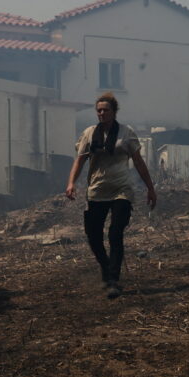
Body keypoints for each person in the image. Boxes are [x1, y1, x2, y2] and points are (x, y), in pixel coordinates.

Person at [66, 92, 157, 299]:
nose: (101, 113)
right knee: (93, 235)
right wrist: (71, 183)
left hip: (121, 190)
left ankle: (113, 279)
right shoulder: (89, 134)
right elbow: (79, 161)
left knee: (116, 232)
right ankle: (106, 269)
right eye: (98, 110)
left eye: (106, 110)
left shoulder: (126, 133)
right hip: (97, 190)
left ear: (114, 112)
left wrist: (150, 188)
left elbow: (139, 163)